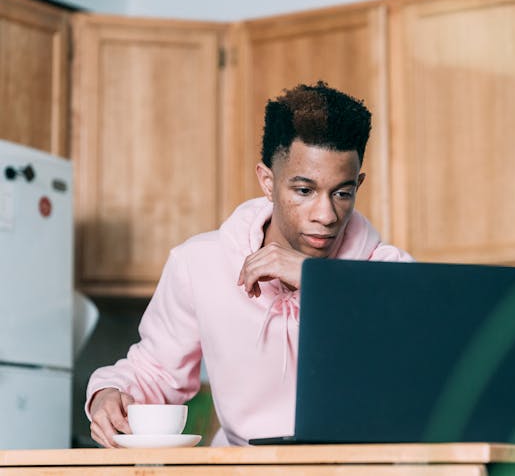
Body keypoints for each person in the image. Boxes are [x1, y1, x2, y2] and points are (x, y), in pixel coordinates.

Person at [86, 81, 413, 448]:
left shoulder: (390, 271)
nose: (326, 214)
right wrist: (108, 394)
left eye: (342, 192)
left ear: (358, 185)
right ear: (267, 182)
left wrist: (316, 280)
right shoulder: (199, 263)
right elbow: (156, 371)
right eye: (304, 191)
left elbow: (423, 360)